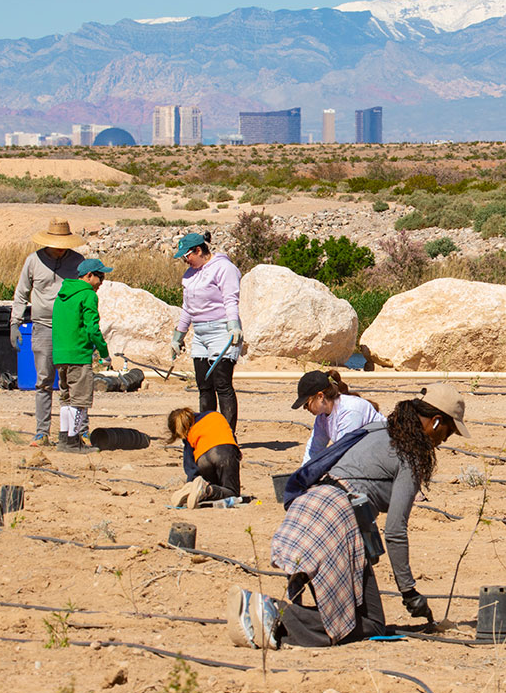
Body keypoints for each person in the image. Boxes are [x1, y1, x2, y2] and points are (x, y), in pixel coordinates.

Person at [226, 383, 470, 649]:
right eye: (448, 431)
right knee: (353, 625)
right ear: (436, 422)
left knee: (371, 620)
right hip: (337, 521)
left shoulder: (377, 430)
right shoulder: (409, 455)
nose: (446, 440)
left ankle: (264, 619)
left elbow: (361, 496)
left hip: (309, 506)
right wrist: (409, 591)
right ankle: (274, 612)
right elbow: (396, 530)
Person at [10, 218, 85, 446]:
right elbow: (22, 292)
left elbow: (87, 293)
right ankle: (42, 431)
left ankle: (77, 431)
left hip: (70, 329)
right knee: (43, 380)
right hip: (42, 325)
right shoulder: (33, 261)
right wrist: (15, 322)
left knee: (71, 381)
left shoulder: (78, 262)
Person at [170, 232, 243, 432]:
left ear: (199, 250)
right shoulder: (190, 275)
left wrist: (233, 324)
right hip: (200, 333)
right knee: (204, 386)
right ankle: (208, 432)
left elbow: (230, 298)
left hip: (221, 330)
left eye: (187, 256)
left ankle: (227, 435)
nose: (186, 261)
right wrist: (179, 335)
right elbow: (188, 308)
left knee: (222, 384)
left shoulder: (223, 268)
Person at [51, 258, 112, 454]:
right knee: (80, 401)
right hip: (79, 355)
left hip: (60, 354)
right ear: (89, 276)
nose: (101, 281)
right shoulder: (88, 295)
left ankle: (64, 439)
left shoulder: (62, 295)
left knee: (66, 399)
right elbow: (92, 328)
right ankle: (73, 441)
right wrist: (104, 353)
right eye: (100, 276)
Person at [294, 369, 385, 467]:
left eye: (306, 404)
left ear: (320, 396)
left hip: (386, 456)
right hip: (367, 457)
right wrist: (302, 474)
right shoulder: (322, 417)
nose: (305, 408)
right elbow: (314, 449)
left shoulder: (350, 411)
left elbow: (342, 452)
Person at [167, 407, 242, 508]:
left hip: (203, 459)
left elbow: (190, 463)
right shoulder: (214, 415)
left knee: (215, 487)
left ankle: (193, 490)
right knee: (232, 493)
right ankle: (206, 490)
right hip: (224, 453)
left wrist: (191, 481)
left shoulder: (190, 432)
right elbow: (229, 435)